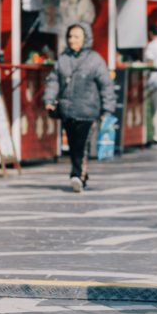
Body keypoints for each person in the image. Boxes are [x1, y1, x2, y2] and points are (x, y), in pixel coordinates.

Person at [44, 22, 116, 193]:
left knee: (82, 146)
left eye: (76, 36)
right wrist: (48, 99)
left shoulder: (95, 59)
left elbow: (106, 85)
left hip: (88, 112)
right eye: (70, 36)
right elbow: (54, 80)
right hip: (67, 111)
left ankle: (77, 175)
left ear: (86, 38)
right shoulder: (63, 59)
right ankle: (81, 175)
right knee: (73, 145)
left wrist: (107, 110)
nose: (72, 40)